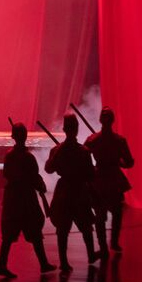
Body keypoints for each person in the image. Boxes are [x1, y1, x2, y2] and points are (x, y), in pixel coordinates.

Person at [0, 123, 56, 278]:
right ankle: (42, 263)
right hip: (26, 199)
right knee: (34, 232)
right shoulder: (28, 157)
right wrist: (39, 186)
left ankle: (2, 265)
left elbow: (6, 174)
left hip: (13, 198)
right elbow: (34, 177)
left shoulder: (10, 156)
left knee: (10, 236)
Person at [45, 115, 100, 272]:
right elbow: (90, 175)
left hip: (65, 191)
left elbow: (49, 169)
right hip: (78, 190)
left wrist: (57, 154)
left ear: (64, 129)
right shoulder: (83, 151)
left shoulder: (58, 150)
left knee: (64, 229)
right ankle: (89, 254)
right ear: (76, 129)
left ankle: (64, 261)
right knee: (84, 226)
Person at [84, 107, 134, 255]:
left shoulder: (93, 140)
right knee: (116, 213)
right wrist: (118, 162)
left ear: (101, 120)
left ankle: (104, 246)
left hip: (99, 179)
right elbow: (129, 162)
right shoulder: (119, 141)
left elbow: (83, 157)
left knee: (101, 215)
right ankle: (114, 243)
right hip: (113, 178)